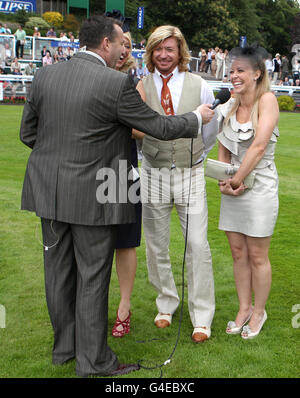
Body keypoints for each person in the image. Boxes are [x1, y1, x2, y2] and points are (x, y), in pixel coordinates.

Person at [20, 15, 214, 377]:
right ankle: (92, 362)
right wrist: (196, 118)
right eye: (121, 42)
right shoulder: (116, 83)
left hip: (48, 193)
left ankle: (66, 350)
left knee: (58, 273)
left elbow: (28, 134)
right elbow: (157, 126)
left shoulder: (45, 75)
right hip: (95, 195)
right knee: (93, 277)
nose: (124, 49)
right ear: (105, 44)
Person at [141, 25, 218, 343]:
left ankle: (202, 316)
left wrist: (196, 156)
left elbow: (210, 131)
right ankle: (166, 303)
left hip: (190, 172)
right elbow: (137, 129)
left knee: (197, 246)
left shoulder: (200, 86)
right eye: (158, 48)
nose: (163, 54)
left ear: (180, 52)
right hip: (153, 172)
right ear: (151, 52)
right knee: (156, 244)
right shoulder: (141, 86)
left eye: (169, 49)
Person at [217, 45, 279, 339]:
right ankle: (243, 308)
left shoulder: (267, 100)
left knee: (257, 255)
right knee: (237, 252)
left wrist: (237, 179)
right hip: (234, 188)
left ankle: (259, 311)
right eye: (232, 71)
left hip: (260, 187)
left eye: (240, 70)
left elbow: (259, 146)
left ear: (257, 73)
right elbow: (223, 150)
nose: (234, 76)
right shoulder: (230, 105)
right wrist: (223, 179)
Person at [112, 30, 145, 338]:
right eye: (120, 42)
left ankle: (124, 308)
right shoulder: (88, 77)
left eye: (128, 45)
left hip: (124, 173)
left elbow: (142, 129)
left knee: (126, 241)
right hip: (91, 174)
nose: (124, 49)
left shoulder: (132, 84)